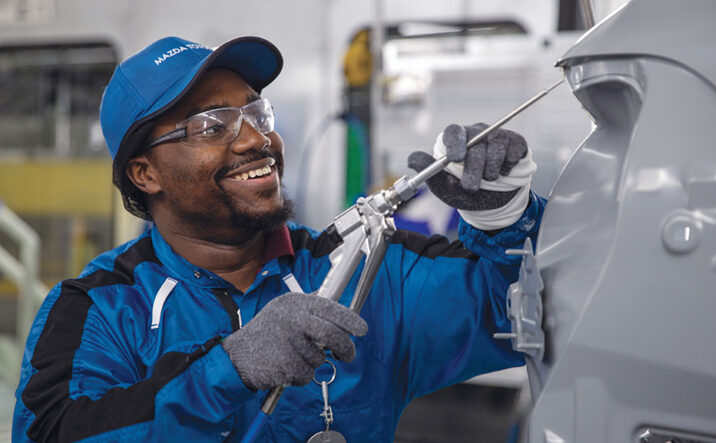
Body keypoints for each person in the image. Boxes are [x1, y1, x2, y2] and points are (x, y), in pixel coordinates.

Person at [13, 36, 545, 442]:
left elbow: (529, 312)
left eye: (255, 112)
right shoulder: (100, 309)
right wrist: (229, 367)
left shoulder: (367, 272)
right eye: (211, 126)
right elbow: (54, 430)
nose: (255, 138)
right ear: (145, 173)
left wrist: (505, 215)